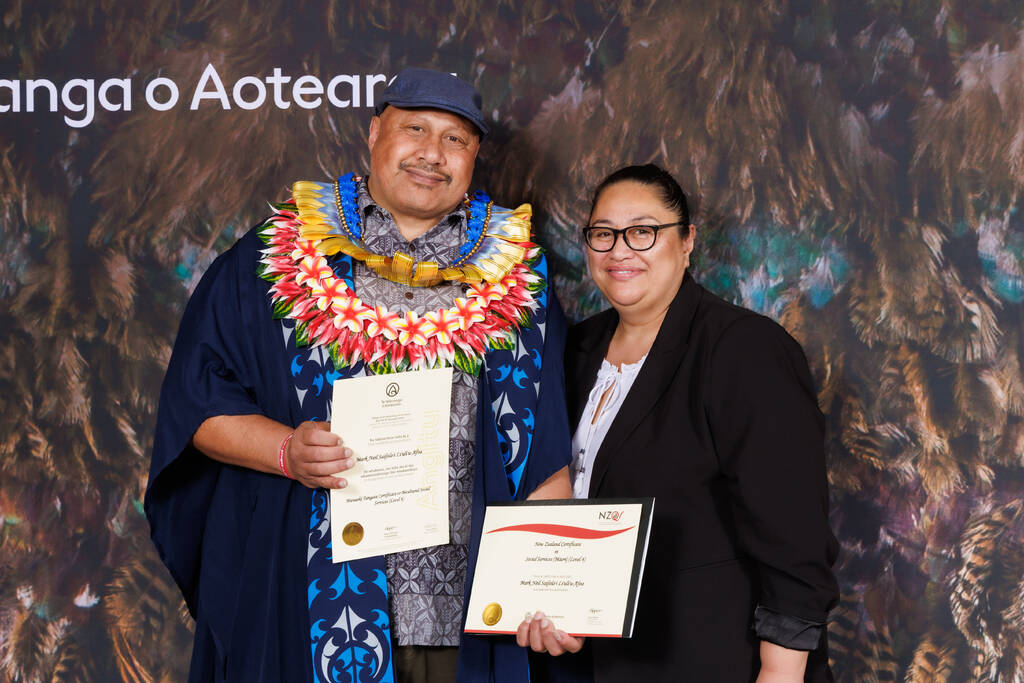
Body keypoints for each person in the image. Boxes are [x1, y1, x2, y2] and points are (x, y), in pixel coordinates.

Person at [145, 67, 572, 683]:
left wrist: (545, 585)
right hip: (311, 599)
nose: (433, 153)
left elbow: (546, 447)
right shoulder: (273, 258)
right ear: (374, 132)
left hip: (469, 615)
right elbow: (196, 405)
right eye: (415, 129)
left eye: (456, 139)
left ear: (476, 155)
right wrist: (286, 450)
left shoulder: (517, 274)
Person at [518, 164, 839, 682]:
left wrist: (780, 672)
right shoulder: (574, 350)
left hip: (716, 660)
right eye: (603, 234)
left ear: (687, 241)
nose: (620, 251)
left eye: (643, 231)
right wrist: (548, 602)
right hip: (595, 664)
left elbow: (793, 534)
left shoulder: (743, 349)